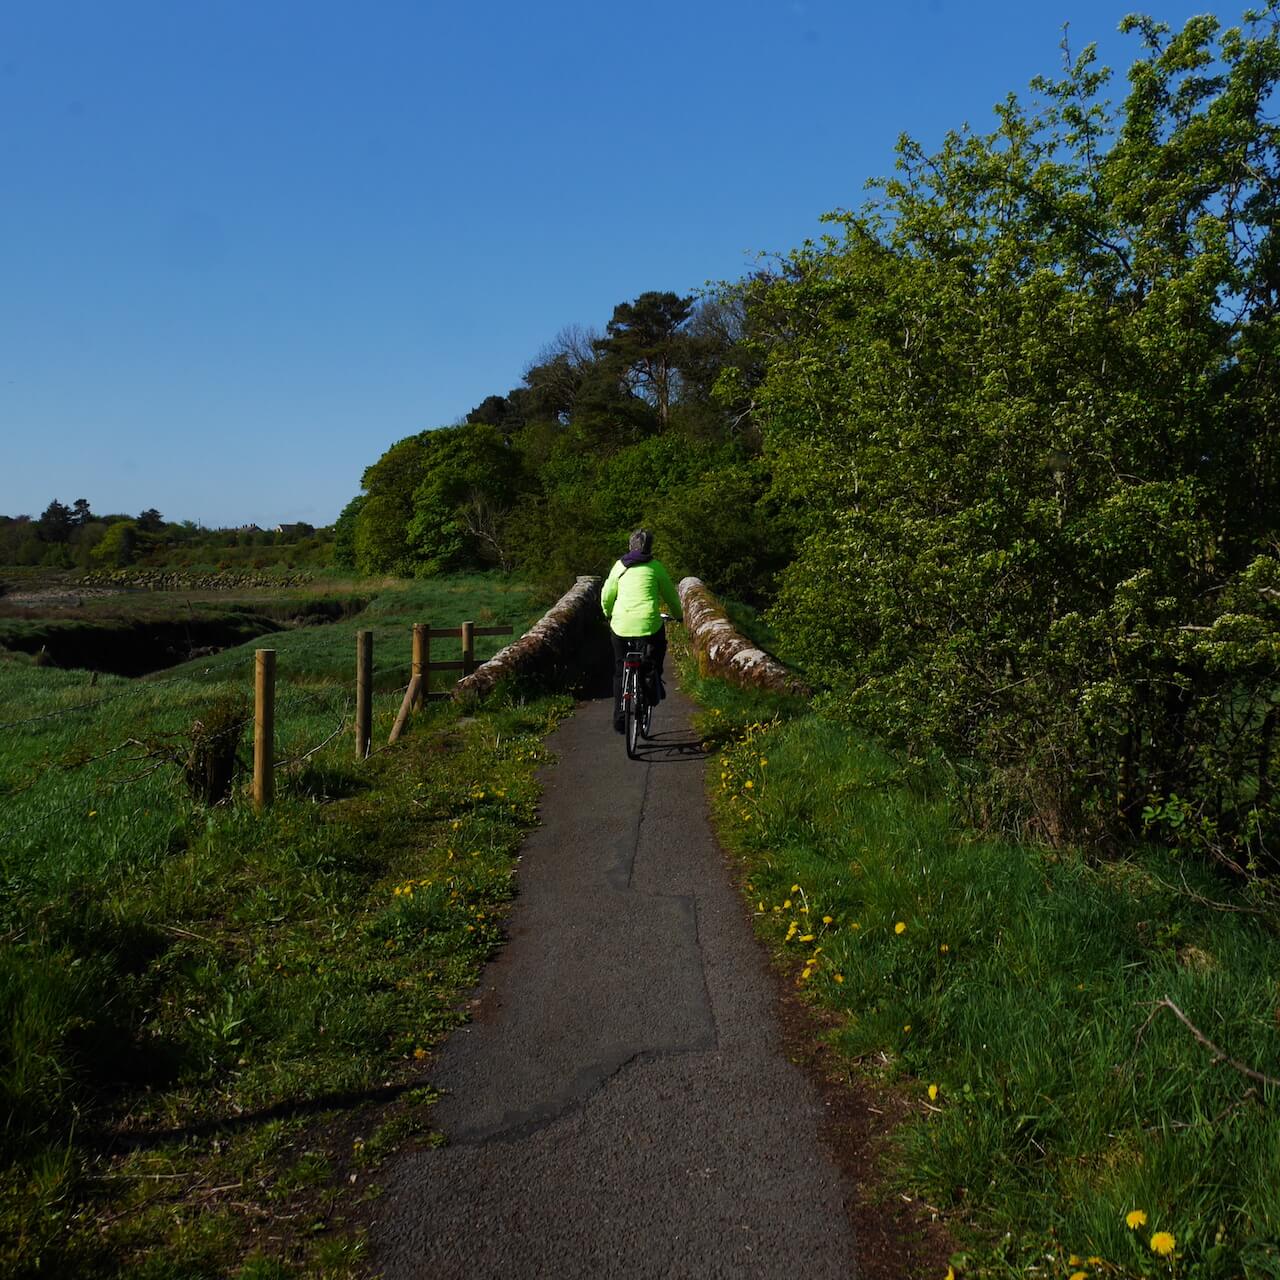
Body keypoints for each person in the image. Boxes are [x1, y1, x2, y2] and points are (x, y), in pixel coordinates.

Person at [601, 529, 683, 733]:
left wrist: (608, 613)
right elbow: (671, 596)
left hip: (620, 625)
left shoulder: (619, 566)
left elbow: (607, 594)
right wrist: (679, 615)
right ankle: (649, 687)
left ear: (630, 546)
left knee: (620, 670)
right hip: (648, 624)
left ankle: (620, 719)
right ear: (649, 547)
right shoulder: (656, 567)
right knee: (655, 653)